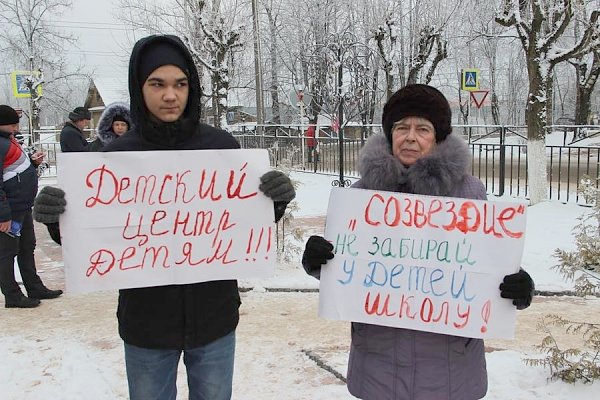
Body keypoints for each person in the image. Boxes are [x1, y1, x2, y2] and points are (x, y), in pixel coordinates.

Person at [33, 34, 295, 399]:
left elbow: (242, 223)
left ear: (192, 88)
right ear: (139, 89)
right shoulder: (116, 157)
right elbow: (93, 234)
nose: (170, 95)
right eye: (157, 84)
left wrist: (274, 201)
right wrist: (56, 217)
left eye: (180, 84)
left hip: (214, 319)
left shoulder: (221, 147)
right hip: (147, 325)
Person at [301, 84, 535, 400]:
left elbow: (488, 263)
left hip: (451, 370)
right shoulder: (358, 197)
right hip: (378, 365)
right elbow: (346, 269)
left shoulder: (470, 195)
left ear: (437, 137)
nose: (411, 137)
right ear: (389, 134)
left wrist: (519, 285)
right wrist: (318, 262)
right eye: (402, 127)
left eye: (422, 128)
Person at [0, 105, 63, 308]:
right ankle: (12, 295)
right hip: (10, 211)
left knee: (27, 247)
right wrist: (3, 215)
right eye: (13, 124)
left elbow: (13, 171)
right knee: (7, 253)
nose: (16, 127)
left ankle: (34, 286)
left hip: (22, 207)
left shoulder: (8, 141)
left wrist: (33, 165)